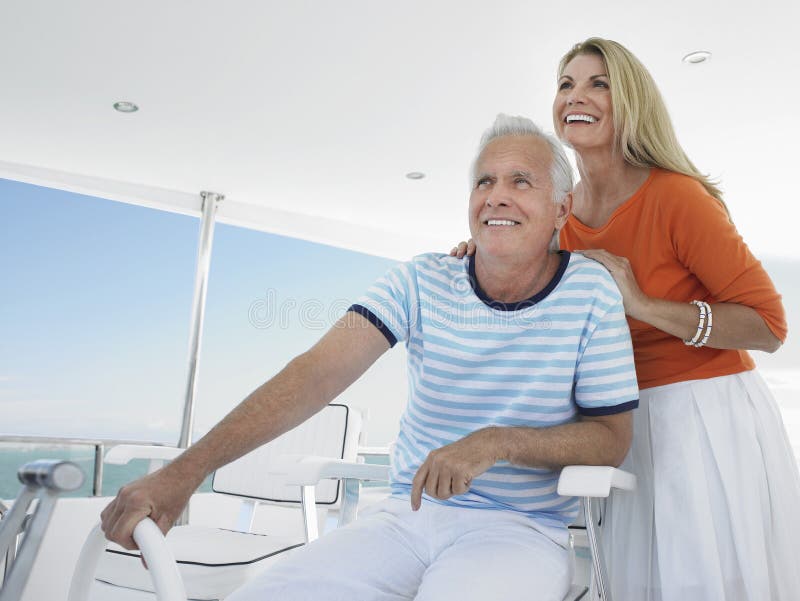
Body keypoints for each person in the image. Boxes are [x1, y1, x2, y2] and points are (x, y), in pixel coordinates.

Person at [101, 114, 639, 601]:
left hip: (519, 529)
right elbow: (317, 373)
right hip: (403, 518)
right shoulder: (422, 279)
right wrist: (185, 472)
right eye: (484, 181)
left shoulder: (590, 294)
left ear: (561, 209)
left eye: (521, 181)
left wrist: (497, 442)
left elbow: (612, 438)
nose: (496, 196)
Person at [453, 37, 800, 601]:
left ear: (629, 100)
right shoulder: (560, 217)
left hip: (702, 420)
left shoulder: (678, 198)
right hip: (620, 421)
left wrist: (641, 304)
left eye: (597, 83)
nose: (575, 95)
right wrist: (484, 256)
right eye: (565, 83)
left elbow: (769, 325)